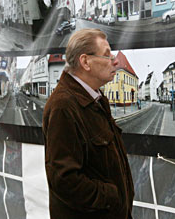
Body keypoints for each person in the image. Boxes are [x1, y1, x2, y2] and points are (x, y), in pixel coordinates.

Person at [42, 29, 134, 219]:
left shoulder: (96, 99)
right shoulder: (64, 106)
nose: (115, 61)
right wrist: (111, 196)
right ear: (85, 62)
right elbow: (64, 180)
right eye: (107, 55)